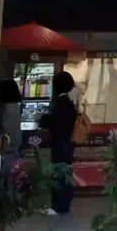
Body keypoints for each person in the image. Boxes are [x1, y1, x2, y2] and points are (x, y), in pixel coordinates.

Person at [39, 71, 78, 214]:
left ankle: (58, 206)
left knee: (60, 173)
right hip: (67, 144)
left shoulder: (61, 104)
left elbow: (54, 123)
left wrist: (43, 119)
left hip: (60, 144)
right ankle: (62, 205)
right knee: (64, 172)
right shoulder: (69, 103)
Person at [0, 78, 23, 178]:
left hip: (5, 152)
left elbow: (4, 130)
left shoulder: (6, 109)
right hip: (13, 151)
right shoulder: (15, 107)